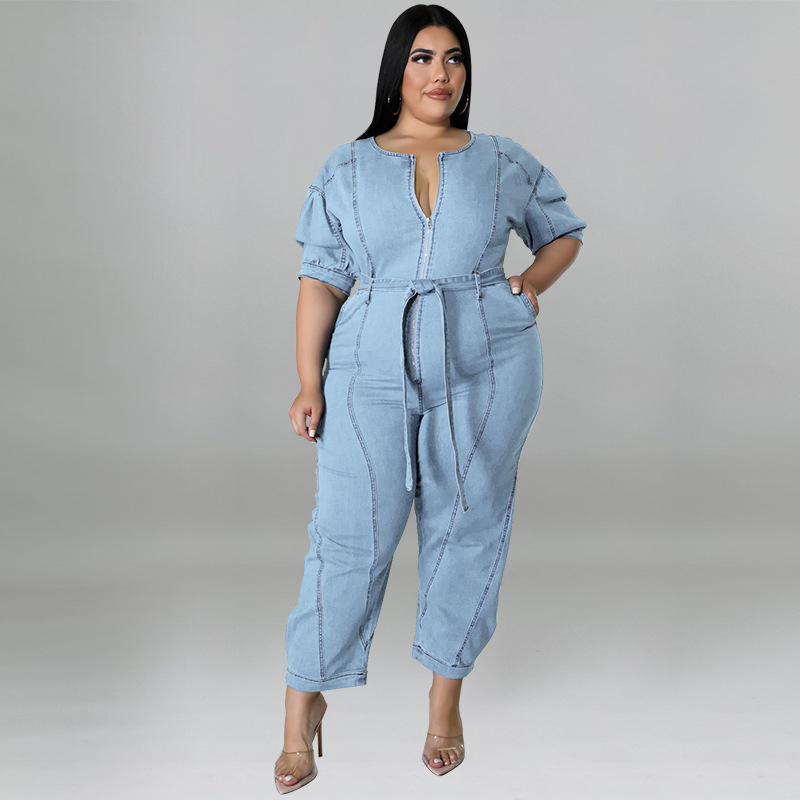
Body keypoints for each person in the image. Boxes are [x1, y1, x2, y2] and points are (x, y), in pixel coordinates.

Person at [275, 4, 586, 793]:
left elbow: (562, 231)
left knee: (469, 526)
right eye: (422, 57)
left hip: (487, 361)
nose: (440, 73)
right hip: (366, 365)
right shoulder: (346, 168)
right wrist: (309, 379)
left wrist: (529, 283)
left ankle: (445, 704)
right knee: (348, 535)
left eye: (453, 57)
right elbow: (321, 279)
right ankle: (301, 705)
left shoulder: (499, 158)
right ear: (396, 71)